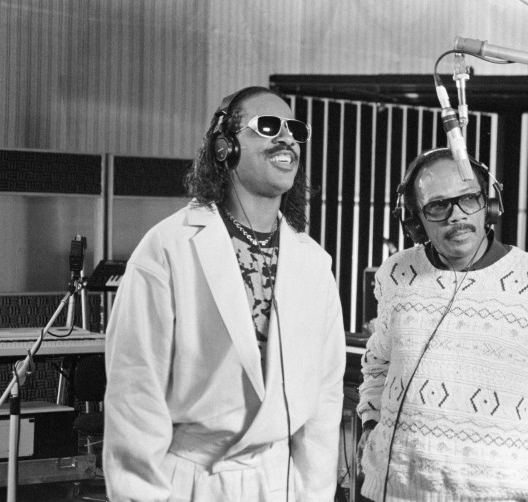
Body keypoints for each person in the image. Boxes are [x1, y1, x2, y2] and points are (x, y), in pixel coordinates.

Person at [103, 86, 347, 502]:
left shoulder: (313, 263)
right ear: (224, 148)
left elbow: (324, 404)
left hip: (279, 483)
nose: (287, 138)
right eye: (268, 127)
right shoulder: (167, 248)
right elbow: (135, 394)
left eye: (295, 129)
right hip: (191, 481)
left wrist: (315, 495)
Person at [356, 148, 528, 501]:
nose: (456, 216)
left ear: (489, 206)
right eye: (438, 205)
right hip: (389, 492)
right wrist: (372, 423)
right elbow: (378, 363)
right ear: (415, 219)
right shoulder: (396, 273)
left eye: (468, 198)